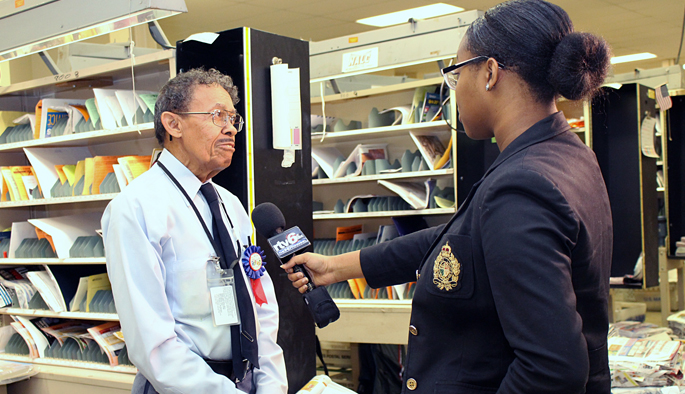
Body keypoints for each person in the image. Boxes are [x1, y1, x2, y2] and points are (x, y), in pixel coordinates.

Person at [283, 1, 612, 393]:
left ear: (489, 73)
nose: (453, 93)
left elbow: (552, 369)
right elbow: (460, 244)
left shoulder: (522, 186)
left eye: (456, 76)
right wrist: (336, 268)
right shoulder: (567, 154)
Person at [102, 68, 287, 394]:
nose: (230, 128)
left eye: (233, 118)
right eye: (217, 116)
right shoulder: (136, 209)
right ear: (173, 125)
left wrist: (271, 385)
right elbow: (153, 346)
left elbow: (262, 305)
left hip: (246, 380)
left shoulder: (231, 205)